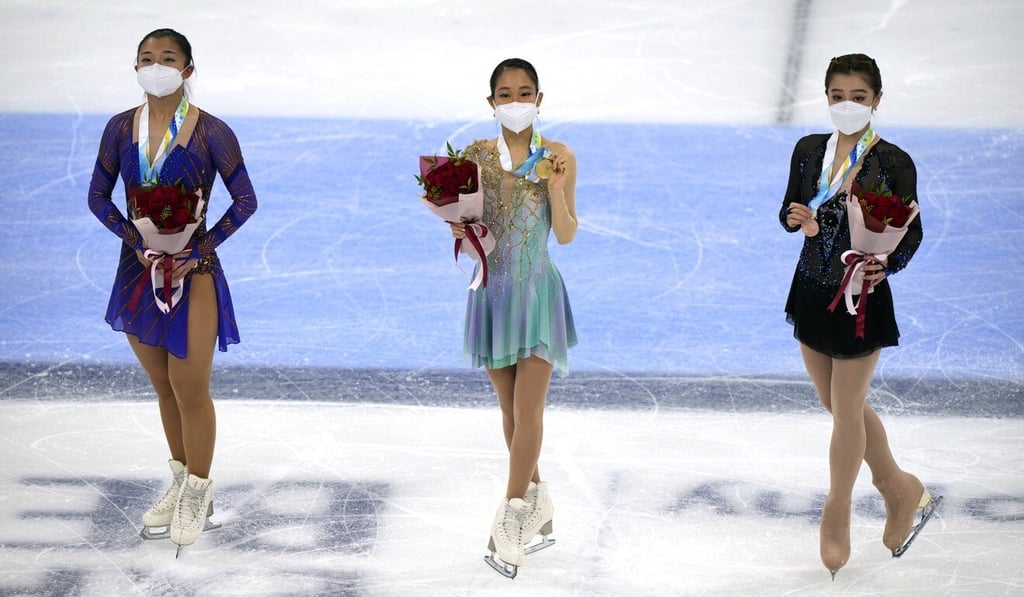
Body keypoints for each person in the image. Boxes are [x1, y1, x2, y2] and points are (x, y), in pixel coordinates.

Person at [87, 28, 257, 554]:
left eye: (167, 59)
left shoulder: (212, 132)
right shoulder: (120, 128)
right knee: (163, 386)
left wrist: (197, 250)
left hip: (195, 271)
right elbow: (98, 197)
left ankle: (200, 492)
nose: (154, 66)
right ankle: (182, 481)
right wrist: (133, 238)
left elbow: (245, 201)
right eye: (146, 58)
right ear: (134, 67)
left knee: (189, 385)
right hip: (138, 271)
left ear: (187, 70)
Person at [780, 53, 939, 579]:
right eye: (837, 96)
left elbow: (910, 230)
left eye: (859, 97)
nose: (847, 105)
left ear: (876, 100)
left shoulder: (891, 161)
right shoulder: (808, 151)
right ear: (826, 97)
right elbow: (789, 208)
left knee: (847, 408)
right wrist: (795, 217)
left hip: (860, 297)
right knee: (833, 402)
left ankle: (838, 511)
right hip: (809, 290)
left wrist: (887, 263)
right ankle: (898, 486)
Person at [449, 58, 578, 578]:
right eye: (506, 93)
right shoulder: (475, 157)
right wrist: (458, 231)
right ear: (491, 103)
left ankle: (513, 511)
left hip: (537, 293)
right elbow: (465, 223)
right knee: (509, 409)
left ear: (539, 99)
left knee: (528, 411)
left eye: (525, 92)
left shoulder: (560, 156)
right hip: (492, 294)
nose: (516, 101)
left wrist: (553, 188)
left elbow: (566, 235)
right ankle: (538, 496)